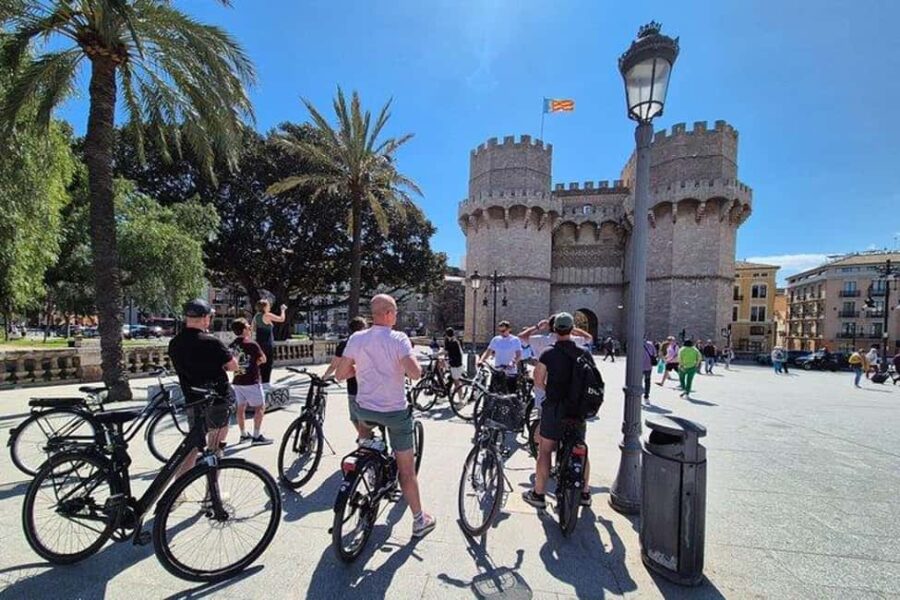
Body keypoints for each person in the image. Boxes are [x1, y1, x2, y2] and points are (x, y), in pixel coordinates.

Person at [334, 294, 436, 538]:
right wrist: (404, 366)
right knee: (407, 472)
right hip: (394, 412)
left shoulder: (357, 338)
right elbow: (414, 373)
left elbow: (341, 373)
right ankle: (420, 520)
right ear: (388, 314)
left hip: (364, 410)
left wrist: (362, 368)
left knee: (366, 437)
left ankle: (369, 466)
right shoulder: (398, 338)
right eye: (396, 313)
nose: (396, 317)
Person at [522, 313, 595, 509]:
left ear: (554, 330)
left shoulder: (548, 353)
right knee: (580, 447)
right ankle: (585, 493)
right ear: (572, 329)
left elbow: (538, 381)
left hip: (554, 408)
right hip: (577, 410)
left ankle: (538, 495)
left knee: (545, 450)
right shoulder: (584, 353)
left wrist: (552, 393)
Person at [168, 298, 238, 476]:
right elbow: (232, 366)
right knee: (215, 447)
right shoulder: (212, 342)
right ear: (206, 318)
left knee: (192, 446)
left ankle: (177, 491)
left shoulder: (175, 343)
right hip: (217, 399)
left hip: (192, 399)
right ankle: (211, 497)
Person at [229, 318, 271, 445]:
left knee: (240, 408)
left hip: (238, 380)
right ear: (243, 330)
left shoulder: (233, 345)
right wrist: (255, 362)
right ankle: (256, 436)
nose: (250, 328)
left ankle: (243, 434)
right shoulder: (252, 344)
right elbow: (263, 359)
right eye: (248, 327)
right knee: (260, 407)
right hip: (251, 380)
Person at [324, 316, 368, 438]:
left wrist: (324, 377)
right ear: (363, 328)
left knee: (354, 417)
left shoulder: (344, 344)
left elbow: (334, 365)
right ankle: (365, 437)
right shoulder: (370, 343)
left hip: (353, 386)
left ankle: (364, 437)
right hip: (370, 385)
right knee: (368, 417)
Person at [479, 320, 522, 393]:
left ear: (509, 329)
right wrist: (481, 360)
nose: (502, 333)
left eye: (504, 331)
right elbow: (488, 351)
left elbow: (519, 354)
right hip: (498, 370)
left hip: (509, 371)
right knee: (492, 393)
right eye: (500, 331)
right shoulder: (496, 339)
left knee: (510, 394)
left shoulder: (515, 340)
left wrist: (513, 362)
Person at [252, 299, 287, 385]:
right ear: (264, 307)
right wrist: (283, 310)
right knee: (268, 365)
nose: (269, 306)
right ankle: (266, 384)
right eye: (268, 305)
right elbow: (281, 319)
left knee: (260, 365)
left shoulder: (256, 316)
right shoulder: (267, 315)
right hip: (267, 344)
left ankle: (260, 384)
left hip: (259, 343)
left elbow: (252, 328)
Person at [443, 327, 465, 396]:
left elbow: (446, 351)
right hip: (452, 362)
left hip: (456, 364)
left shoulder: (454, 342)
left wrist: (436, 354)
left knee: (457, 382)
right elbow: (445, 349)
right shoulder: (448, 340)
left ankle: (461, 399)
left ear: (447, 334)